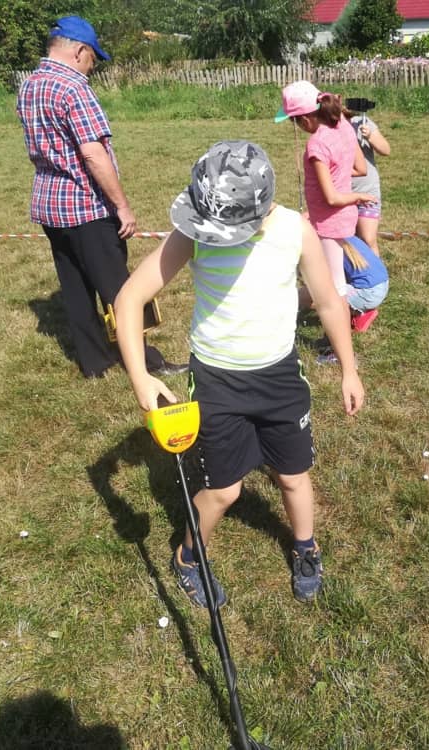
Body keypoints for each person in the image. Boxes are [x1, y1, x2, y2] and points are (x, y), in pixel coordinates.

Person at [114, 140, 365, 606]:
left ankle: (306, 548)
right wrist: (140, 377)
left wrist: (349, 369)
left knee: (293, 475)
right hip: (218, 382)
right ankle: (189, 556)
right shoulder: (196, 232)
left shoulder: (295, 231)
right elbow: (129, 298)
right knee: (224, 490)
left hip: (280, 379)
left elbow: (329, 302)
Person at [16, 15, 185, 380]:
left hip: (51, 206)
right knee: (121, 289)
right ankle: (146, 362)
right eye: (93, 58)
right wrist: (122, 206)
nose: (92, 66)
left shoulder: (29, 85)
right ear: (79, 51)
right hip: (87, 208)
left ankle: (94, 363)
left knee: (75, 289)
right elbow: (94, 155)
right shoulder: (74, 89)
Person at [275, 80, 375, 305]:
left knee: (334, 285)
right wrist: (336, 173)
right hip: (342, 218)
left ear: (305, 120)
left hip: (329, 222)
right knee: (332, 277)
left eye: (295, 123)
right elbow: (361, 168)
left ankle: (340, 324)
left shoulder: (317, 144)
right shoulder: (342, 125)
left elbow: (332, 197)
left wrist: (357, 196)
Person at [345, 105, 391, 256]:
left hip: (367, 190)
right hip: (342, 194)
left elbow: (386, 150)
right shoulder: (327, 131)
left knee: (368, 239)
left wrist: (370, 136)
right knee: (349, 241)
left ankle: (375, 270)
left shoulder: (362, 123)